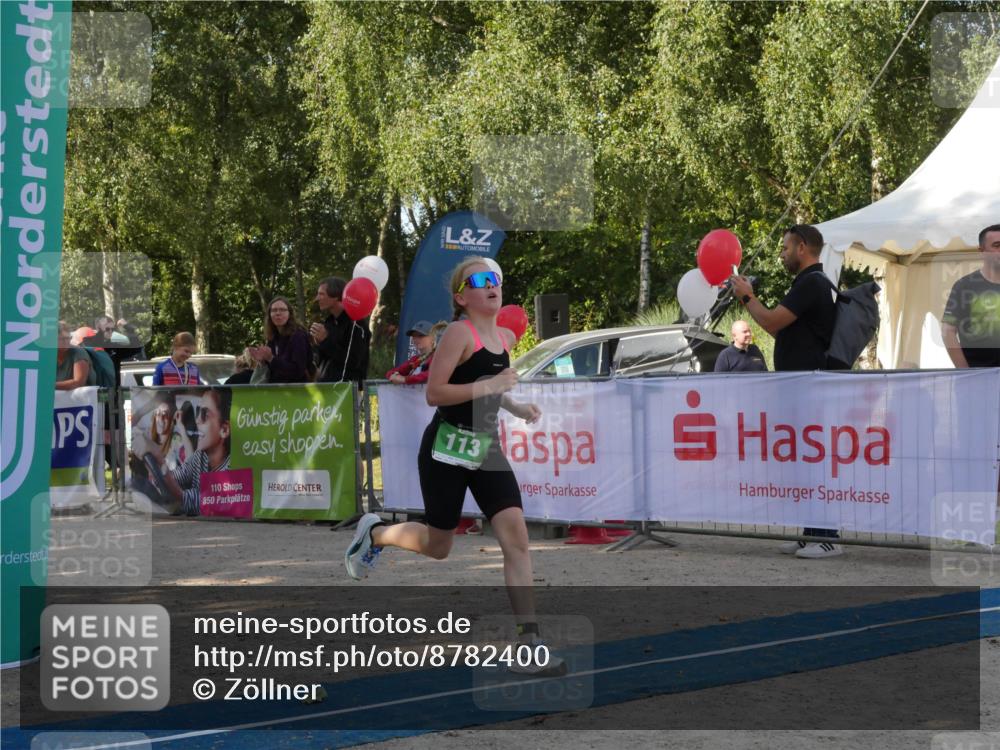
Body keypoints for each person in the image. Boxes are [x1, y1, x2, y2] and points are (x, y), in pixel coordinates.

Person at [343, 259, 563, 676]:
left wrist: (516, 406)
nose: (492, 285)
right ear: (462, 297)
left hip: (486, 449)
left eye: (495, 278)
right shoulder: (458, 333)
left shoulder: (500, 337)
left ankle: (528, 640)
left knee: (516, 536)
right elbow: (435, 393)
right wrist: (492, 387)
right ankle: (376, 532)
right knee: (439, 547)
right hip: (446, 448)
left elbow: (491, 391)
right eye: (480, 280)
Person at [731, 224, 841, 559]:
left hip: (809, 385)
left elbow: (771, 321)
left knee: (815, 460)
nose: (781, 253)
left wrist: (747, 295)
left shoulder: (811, 283)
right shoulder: (806, 283)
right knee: (802, 461)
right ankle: (810, 532)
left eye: (785, 247)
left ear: (803, 248)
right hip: (798, 384)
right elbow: (789, 332)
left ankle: (828, 537)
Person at [142, 388, 232, 516]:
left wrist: (160, 465)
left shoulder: (232, 467)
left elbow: (199, 500)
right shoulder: (200, 457)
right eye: (197, 412)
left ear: (224, 430)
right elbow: (181, 475)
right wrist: (157, 476)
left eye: (204, 414)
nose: (197, 420)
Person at [942, 224, 1000, 368]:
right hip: (978, 378)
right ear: (982, 251)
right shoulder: (964, 286)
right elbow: (948, 331)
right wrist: (965, 373)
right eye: (997, 245)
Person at [311, 277, 371, 387]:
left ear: (337, 296)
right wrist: (318, 343)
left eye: (321, 294)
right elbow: (325, 360)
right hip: (326, 389)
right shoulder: (329, 322)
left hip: (348, 392)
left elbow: (353, 361)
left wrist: (325, 340)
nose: (317, 298)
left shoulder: (356, 323)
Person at [252, 296, 313, 383]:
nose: (278, 313)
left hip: (297, 391)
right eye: (274, 310)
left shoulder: (298, 336)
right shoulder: (273, 338)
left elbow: (298, 371)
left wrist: (271, 359)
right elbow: (275, 370)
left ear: (290, 314)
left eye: (282, 310)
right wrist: (263, 361)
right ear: (269, 315)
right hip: (277, 391)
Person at [385, 320, 446, 385]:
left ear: (433, 337)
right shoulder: (415, 359)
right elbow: (390, 372)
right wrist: (394, 376)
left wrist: (405, 379)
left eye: (421, 336)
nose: (416, 339)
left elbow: (431, 375)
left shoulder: (438, 357)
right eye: (414, 336)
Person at [55, 321, 96, 390]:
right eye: (61, 339)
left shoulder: (79, 353)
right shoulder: (47, 354)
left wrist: (49, 385)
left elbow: (78, 383)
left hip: (82, 399)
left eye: (68, 338)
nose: (66, 342)